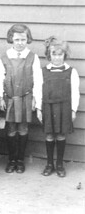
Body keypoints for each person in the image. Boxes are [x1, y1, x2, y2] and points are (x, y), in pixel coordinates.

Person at [0, 24, 42, 174]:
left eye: (23, 39)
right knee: (11, 128)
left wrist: (35, 98)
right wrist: (1, 97)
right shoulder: (4, 56)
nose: (20, 42)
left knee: (22, 128)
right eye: (17, 39)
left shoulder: (32, 57)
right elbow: (0, 78)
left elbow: (38, 79)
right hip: (10, 98)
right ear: (11, 39)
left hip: (26, 97)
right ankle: (11, 160)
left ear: (27, 39)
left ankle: (21, 160)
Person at [36, 37, 79, 177]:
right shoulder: (43, 71)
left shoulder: (71, 72)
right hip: (48, 106)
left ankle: (59, 164)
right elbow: (37, 91)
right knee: (49, 134)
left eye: (60, 54)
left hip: (64, 107)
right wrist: (39, 109)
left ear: (64, 55)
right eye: (54, 54)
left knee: (60, 134)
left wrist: (73, 110)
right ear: (49, 55)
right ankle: (49, 164)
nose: (57, 57)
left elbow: (75, 92)